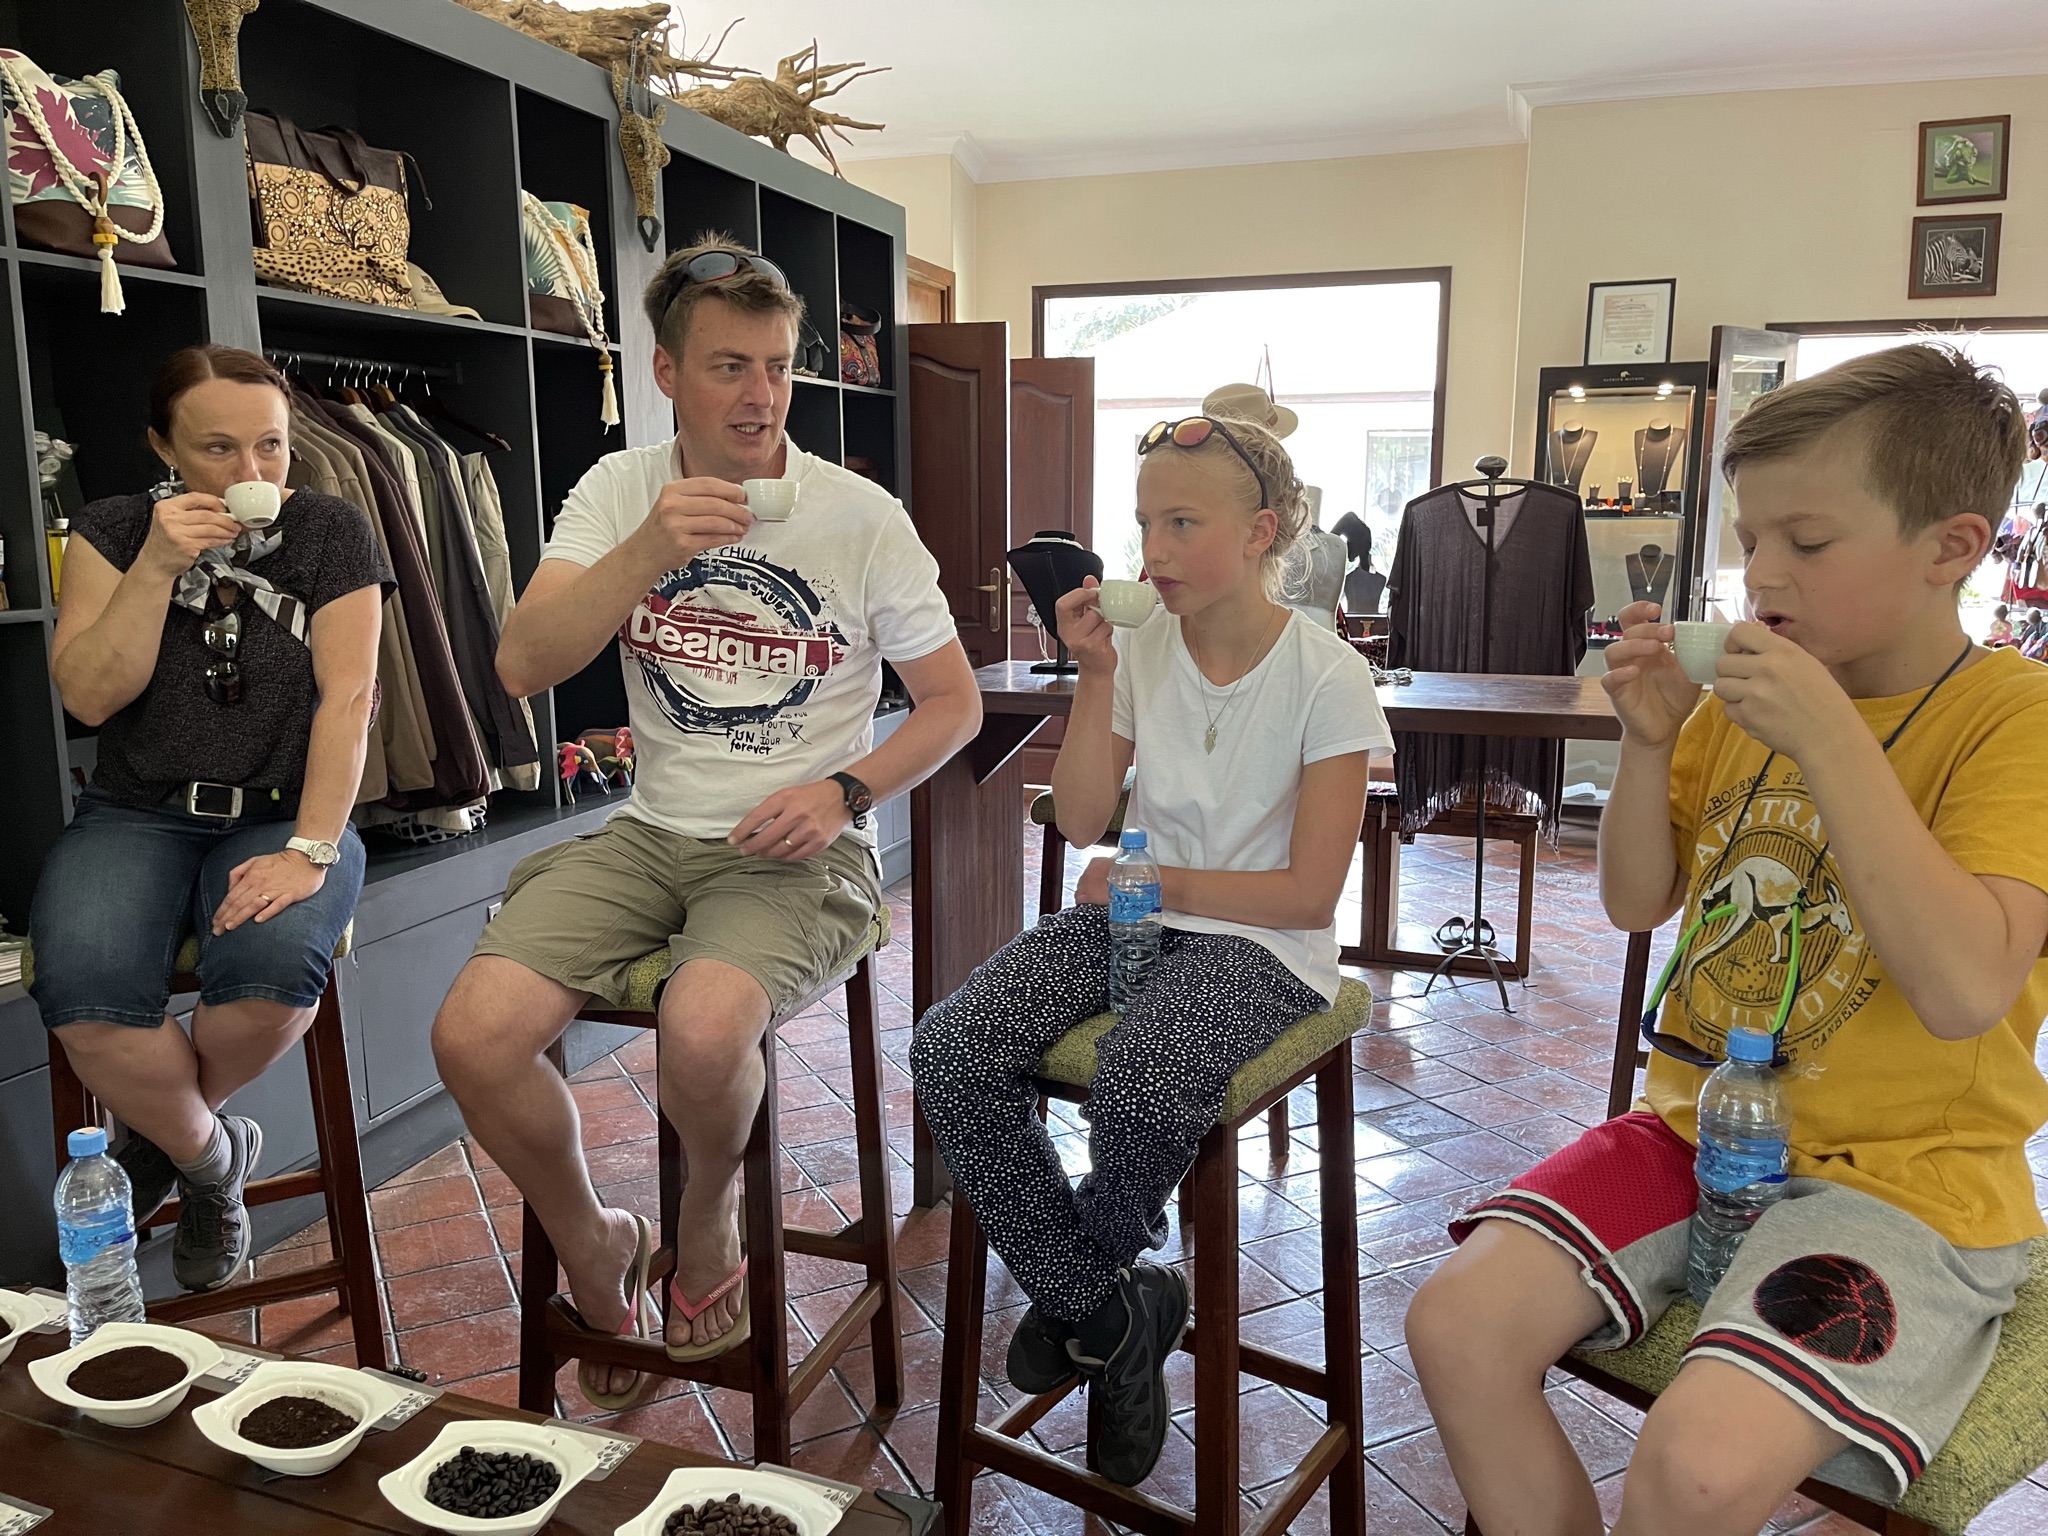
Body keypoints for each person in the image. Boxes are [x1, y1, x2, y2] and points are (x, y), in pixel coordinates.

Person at [1405, 344, 2048, 1536]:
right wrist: (1649, 741)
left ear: (1951, 548)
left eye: (1806, 542)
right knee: (1454, 1323)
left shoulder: (2011, 719)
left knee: (1696, 1468)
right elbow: (1632, 901)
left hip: (1908, 1184)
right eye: (1751, 539)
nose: (1761, 574)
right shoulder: (1744, 709)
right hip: (1694, 1132)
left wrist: (1831, 738)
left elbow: (1964, 989)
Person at [430, 234, 980, 1409]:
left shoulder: (860, 516)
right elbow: (521, 665)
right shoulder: (619, 492)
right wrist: (648, 547)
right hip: (649, 835)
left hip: (802, 849)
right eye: (730, 366)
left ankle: (707, 1216)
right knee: (472, 1036)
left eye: (777, 366)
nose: (760, 395)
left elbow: (953, 705)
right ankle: (595, 1244)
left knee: (703, 1023)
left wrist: (844, 792)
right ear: (668, 373)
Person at [910, 413, 1389, 1485]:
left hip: (1267, 948)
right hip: (1136, 919)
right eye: (1143, 524)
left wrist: (1152, 882)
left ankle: (1082, 1296)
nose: (1151, 551)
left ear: (1261, 532)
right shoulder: (1139, 649)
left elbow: (1309, 892)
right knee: (951, 1047)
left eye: (1181, 523)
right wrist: (1092, 673)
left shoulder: (1328, 676)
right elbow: (1082, 817)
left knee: (1145, 1072)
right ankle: (1112, 1307)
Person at [29, 345, 388, 1292]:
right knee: (83, 995)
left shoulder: (329, 529)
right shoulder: (114, 530)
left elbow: (350, 698)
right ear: (164, 447)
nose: (250, 471)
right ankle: (211, 1159)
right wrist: (156, 564)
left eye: (270, 445)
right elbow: (90, 698)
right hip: (137, 811)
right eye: (218, 448)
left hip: (285, 813)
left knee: (271, 974)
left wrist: (310, 849)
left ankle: (166, 1142)